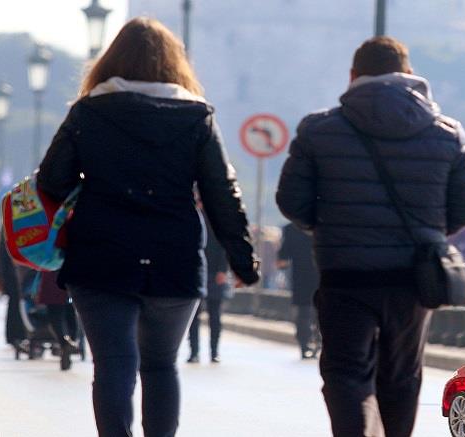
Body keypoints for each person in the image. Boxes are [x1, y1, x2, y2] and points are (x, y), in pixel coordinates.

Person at [36, 18, 260, 437]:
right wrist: (244, 261)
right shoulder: (197, 117)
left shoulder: (88, 112)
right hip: (173, 257)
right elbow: (221, 194)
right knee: (160, 365)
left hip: (100, 255)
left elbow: (52, 181)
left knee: (113, 365)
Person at [275, 36, 465, 437]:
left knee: (345, 373)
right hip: (413, 276)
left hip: (344, 272)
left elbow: (292, 202)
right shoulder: (448, 133)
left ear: (353, 76)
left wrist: (331, 225)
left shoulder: (319, 130)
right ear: (408, 74)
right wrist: (430, 230)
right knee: (401, 376)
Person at [187, 219, 231, 364]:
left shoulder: (217, 216)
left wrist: (223, 270)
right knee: (193, 316)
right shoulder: (190, 216)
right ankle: (194, 351)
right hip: (196, 271)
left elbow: (225, 244)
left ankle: (214, 351)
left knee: (215, 315)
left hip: (215, 273)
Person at [276, 223, 320, 359]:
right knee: (321, 311)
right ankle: (318, 340)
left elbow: (282, 260)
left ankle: (304, 345)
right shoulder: (327, 223)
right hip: (323, 275)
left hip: (301, 277)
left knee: (303, 313)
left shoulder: (292, 229)